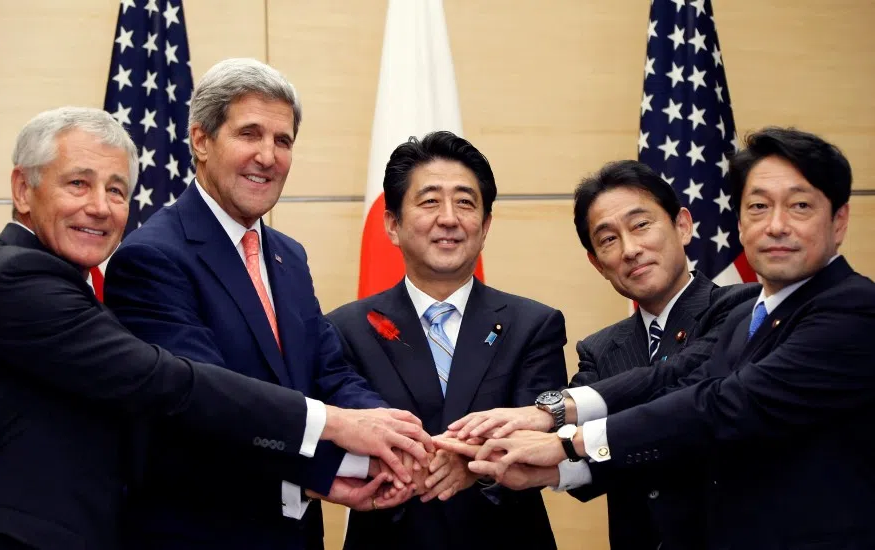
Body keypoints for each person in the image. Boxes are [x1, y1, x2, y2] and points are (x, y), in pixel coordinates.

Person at [0, 107, 431, 550]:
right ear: (22, 189)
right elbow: (167, 381)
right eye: (78, 183)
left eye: (116, 191)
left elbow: (325, 368)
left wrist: (373, 451)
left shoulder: (65, 281)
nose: (100, 207)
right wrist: (334, 426)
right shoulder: (18, 279)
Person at [440, 127, 875, 548]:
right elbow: (675, 380)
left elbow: (719, 404)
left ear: (838, 220)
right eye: (758, 207)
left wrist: (565, 438)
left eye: (799, 206)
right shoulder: (750, 320)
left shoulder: (851, 308)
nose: (776, 225)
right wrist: (543, 434)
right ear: (739, 223)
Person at [103, 58, 423, 550]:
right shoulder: (151, 257)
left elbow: (329, 374)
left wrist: (396, 436)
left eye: (283, 140)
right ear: (202, 140)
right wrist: (336, 464)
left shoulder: (288, 256)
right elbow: (203, 405)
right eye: (249, 134)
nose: (268, 156)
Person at [327, 131, 566, 550]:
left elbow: (542, 440)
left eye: (465, 202)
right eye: (430, 200)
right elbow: (337, 442)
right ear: (392, 224)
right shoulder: (346, 328)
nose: (450, 218)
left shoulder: (534, 325)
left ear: (485, 225)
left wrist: (474, 466)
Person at [565, 160, 757, 550]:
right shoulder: (599, 350)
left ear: (682, 225)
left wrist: (584, 437)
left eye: (641, 225)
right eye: (608, 239)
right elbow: (576, 464)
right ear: (597, 263)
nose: (631, 249)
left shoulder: (742, 307)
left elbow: (687, 404)